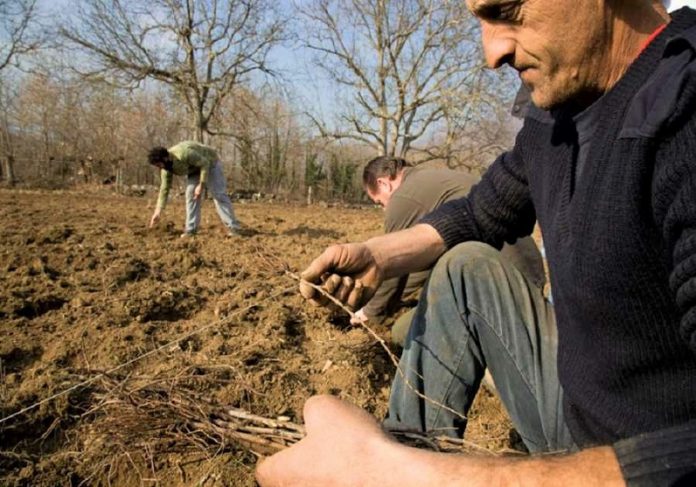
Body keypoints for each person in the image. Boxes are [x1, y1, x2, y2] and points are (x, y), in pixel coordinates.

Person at [256, 1, 696, 486]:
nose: (492, 52)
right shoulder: (555, 119)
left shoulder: (685, 105)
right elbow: (478, 212)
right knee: (467, 267)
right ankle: (402, 442)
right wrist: (378, 256)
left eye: (508, 10)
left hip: (648, 459)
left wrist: (408, 477)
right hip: (577, 408)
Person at [354, 155, 546, 346]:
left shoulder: (402, 199)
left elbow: (391, 267)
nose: (384, 208)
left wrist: (369, 312)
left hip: (500, 286)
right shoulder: (434, 180)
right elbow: (421, 267)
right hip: (527, 271)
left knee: (404, 331)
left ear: (384, 183)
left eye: (380, 202)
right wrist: (401, 299)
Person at [147, 141, 241, 237]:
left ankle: (234, 227)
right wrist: (158, 211)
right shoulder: (166, 169)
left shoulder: (184, 153)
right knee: (191, 194)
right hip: (194, 169)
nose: (159, 168)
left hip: (210, 163)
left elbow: (205, 164)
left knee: (218, 194)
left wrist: (201, 184)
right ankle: (191, 230)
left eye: (159, 165)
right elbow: (164, 189)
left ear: (165, 158)